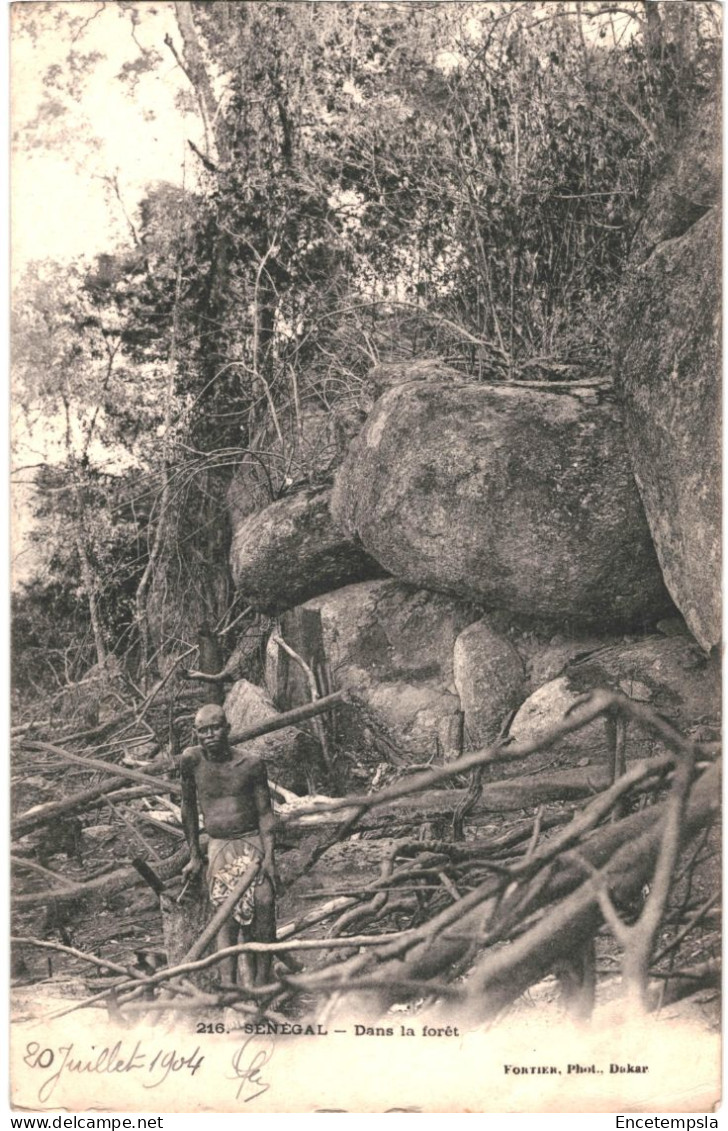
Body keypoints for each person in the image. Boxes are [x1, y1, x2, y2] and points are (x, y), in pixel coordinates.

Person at [180, 703, 277, 987]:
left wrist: (270, 856)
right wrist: (194, 856)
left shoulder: (251, 764)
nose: (209, 735)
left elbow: (264, 813)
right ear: (196, 733)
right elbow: (187, 806)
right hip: (219, 846)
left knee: (264, 903)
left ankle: (262, 983)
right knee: (225, 915)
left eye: (215, 728)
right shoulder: (191, 761)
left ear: (228, 729)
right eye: (203, 730)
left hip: (251, 844)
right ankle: (229, 988)